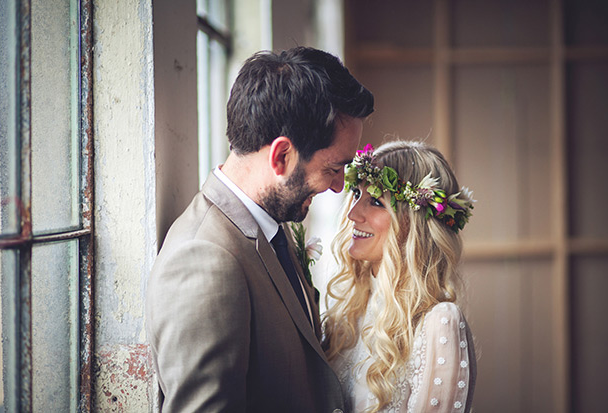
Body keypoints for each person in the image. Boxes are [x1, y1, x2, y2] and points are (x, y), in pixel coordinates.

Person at [146, 46, 374, 412]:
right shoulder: (203, 260)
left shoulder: (269, 223)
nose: (338, 185)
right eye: (333, 168)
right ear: (281, 156)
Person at [323, 141, 477, 412]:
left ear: (413, 223)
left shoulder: (439, 323)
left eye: (375, 202)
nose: (352, 213)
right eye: (356, 195)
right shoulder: (347, 317)